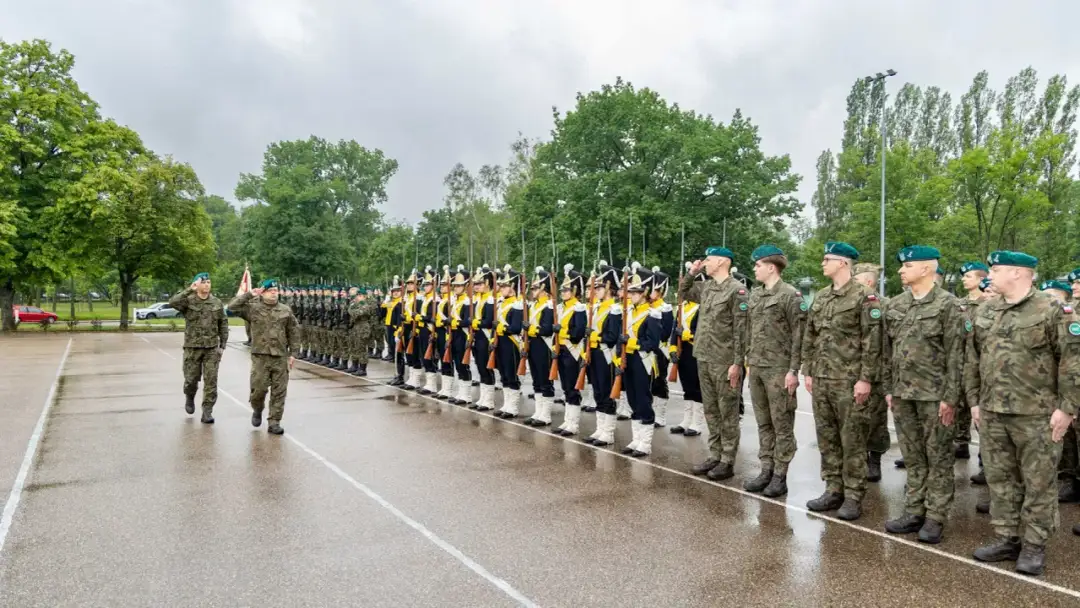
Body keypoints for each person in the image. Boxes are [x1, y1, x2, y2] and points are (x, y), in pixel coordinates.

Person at [967, 250, 1079, 575]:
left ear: (1017, 273)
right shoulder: (988, 310)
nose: (991, 275)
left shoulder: (1053, 310)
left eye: (997, 269)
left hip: (1037, 415)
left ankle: (1034, 545)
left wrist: (1067, 409)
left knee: (1038, 482)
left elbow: (1073, 362)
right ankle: (1007, 537)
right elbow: (973, 359)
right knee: (1001, 480)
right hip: (992, 411)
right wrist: (974, 401)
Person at [880, 246, 964, 544]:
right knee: (913, 456)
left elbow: (957, 355)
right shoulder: (896, 305)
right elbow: (888, 351)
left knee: (938, 457)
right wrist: (890, 389)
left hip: (935, 395)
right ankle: (914, 510)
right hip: (903, 393)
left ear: (926, 269)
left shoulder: (948, 305)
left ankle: (936, 516)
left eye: (907, 266)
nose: (901, 271)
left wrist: (951, 398)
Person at [800, 242, 883, 521]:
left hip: (850, 382)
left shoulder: (865, 297)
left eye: (828, 259)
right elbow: (810, 335)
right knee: (827, 438)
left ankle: (853, 495)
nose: (823, 263)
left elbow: (872, 343)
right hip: (822, 378)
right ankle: (832, 488)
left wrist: (865, 379)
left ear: (843, 263)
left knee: (853, 440)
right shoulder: (822, 297)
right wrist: (808, 370)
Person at [680, 247, 749, 481]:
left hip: (725, 360)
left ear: (721, 262)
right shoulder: (707, 287)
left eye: (708, 260)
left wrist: (737, 363)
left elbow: (742, 331)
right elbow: (683, 291)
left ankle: (727, 460)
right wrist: (692, 272)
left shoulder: (737, 290)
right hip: (704, 356)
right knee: (710, 409)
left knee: (727, 411)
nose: (705, 263)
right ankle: (715, 454)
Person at [744, 245, 805, 498]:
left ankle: (781, 475)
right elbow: (749, 330)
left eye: (758, 265)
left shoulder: (791, 295)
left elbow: (799, 335)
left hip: (779, 370)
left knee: (782, 425)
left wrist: (794, 370)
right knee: (763, 423)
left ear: (771, 267)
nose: (755, 269)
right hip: (757, 367)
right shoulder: (755, 295)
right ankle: (766, 469)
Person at [229, 278, 300, 435]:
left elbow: (294, 332)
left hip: (280, 356)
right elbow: (232, 307)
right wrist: (249, 294)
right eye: (271, 291)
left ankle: (274, 421)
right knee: (259, 390)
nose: (274, 293)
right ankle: (257, 408)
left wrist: (294, 353)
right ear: (263, 293)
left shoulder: (285, 310)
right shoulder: (253, 308)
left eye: (276, 291)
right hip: (260, 357)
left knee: (279, 391)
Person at [168, 272, 229, 424]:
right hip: (192, 347)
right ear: (197, 284)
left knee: (211, 381)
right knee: (191, 380)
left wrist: (222, 346)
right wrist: (190, 289)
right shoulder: (188, 301)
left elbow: (223, 324)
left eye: (209, 282)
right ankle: (189, 396)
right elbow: (173, 302)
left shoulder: (216, 302)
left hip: (211, 349)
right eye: (203, 282)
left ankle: (207, 412)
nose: (207, 285)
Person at [616, 264, 662, 457]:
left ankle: (645, 443)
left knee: (643, 400)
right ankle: (636, 439)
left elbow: (652, 342)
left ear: (645, 293)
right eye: (631, 292)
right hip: (628, 359)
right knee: (633, 399)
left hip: (643, 360)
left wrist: (631, 343)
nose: (631, 295)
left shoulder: (652, 313)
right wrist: (619, 356)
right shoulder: (628, 312)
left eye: (635, 292)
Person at [851, 263, 891, 481]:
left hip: (876, 373)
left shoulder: (884, 305)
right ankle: (858, 460)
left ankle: (874, 461)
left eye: (856, 280)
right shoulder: (851, 303)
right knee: (854, 419)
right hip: (852, 369)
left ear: (868, 282)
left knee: (876, 419)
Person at [584, 263, 622, 446]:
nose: (595, 290)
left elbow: (612, 336)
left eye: (598, 287)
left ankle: (608, 432)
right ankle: (600, 429)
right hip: (594, 352)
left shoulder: (614, 309)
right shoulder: (597, 307)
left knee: (607, 393)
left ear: (608, 288)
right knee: (598, 391)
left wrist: (595, 336)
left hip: (606, 354)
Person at [669, 263, 706, 437]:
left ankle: (697, 423)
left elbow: (700, 332)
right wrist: (673, 349)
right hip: (683, 352)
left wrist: (684, 334)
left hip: (695, 350)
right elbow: (673, 330)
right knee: (687, 387)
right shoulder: (682, 307)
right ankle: (686, 419)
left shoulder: (702, 308)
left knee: (697, 387)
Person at [552, 264, 589, 436]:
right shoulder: (561, 307)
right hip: (561, 350)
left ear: (574, 291)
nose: (563, 293)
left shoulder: (579, 308)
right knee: (566, 387)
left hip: (572, 351)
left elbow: (577, 334)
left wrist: (562, 332)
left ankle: (573, 424)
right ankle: (567, 421)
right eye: (562, 290)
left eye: (566, 290)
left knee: (573, 388)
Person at [523, 266, 556, 426]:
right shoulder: (534, 305)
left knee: (544, 380)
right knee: (536, 379)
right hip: (533, 344)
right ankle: (538, 412)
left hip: (544, 346)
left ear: (544, 289)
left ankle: (546, 415)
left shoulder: (549, 306)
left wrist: (531, 329)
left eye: (535, 288)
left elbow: (547, 329)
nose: (532, 290)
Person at [493, 265, 525, 418]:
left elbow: (516, 328)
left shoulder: (517, 304)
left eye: (504, 286)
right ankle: (506, 404)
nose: (500, 288)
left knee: (511, 374)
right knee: (504, 374)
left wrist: (500, 328)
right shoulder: (501, 303)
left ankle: (513, 407)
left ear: (512, 286)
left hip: (511, 342)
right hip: (500, 342)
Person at [648, 267, 675, 428]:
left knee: (659, 382)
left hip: (659, 350)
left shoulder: (664, 308)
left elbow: (664, 333)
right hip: (646, 349)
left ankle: (661, 416)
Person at [470, 265, 498, 411]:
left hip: (486, 337)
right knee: (481, 368)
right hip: (478, 336)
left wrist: (475, 323)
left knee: (487, 369)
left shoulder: (491, 299)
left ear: (487, 283)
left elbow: (488, 321)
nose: (476, 286)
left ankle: (489, 400)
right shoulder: (478, 299)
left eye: (479, 284)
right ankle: (483, 397)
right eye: (475, 284)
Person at [447, 266, 475, 406]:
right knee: (458, 364)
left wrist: (455, 322)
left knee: (463, 365)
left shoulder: (467, 301)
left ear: (465, 286)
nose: (456, 288)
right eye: (455, 286)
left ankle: (467, 395)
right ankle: (461, 392)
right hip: (454, 334)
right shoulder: (455, 301)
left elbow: (468, 321)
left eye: (459, 286)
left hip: (463, 335)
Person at [384, 278, 405, 385]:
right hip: (389, 327)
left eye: (397, 291)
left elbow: (399, 319)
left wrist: (398, 330)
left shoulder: (401, 303)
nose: (395, 293)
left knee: (399, 354)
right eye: (393, 291)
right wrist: (386, 299)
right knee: (394, 352)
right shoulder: (391, 302)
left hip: (396, 329)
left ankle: (400, 376)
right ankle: (397, 374)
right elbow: (381, 310)